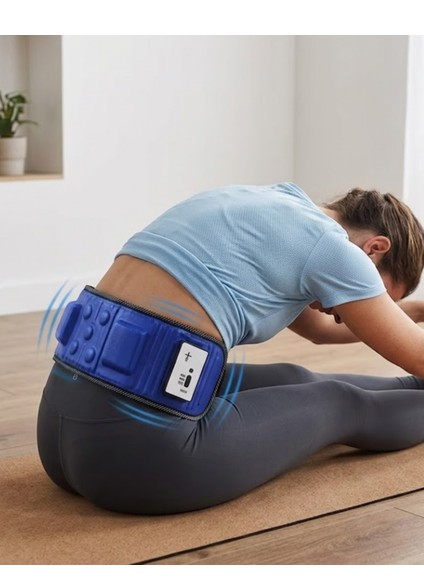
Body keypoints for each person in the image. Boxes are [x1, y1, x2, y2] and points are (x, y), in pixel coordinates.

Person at [37, 182, 424, 515]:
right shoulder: (334, 251)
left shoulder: (264, 206)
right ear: (374, 248)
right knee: (339, 403)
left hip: (58, 428)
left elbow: (321, 331)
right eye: (381, 298)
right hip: (137, 456)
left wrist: (418, 311)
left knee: (293, 377)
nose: (348, 313)